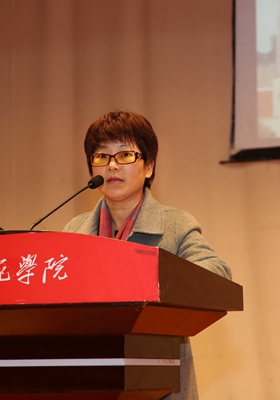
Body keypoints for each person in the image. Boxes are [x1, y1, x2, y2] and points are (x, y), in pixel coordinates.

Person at [63, 110, 232, 400]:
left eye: (125, 155)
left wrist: (149, 275)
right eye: (101, 156)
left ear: (149, 166)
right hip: (91, 380)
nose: (112, 166)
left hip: (159, 384)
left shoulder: (175, 225)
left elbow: (217, 274)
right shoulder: (74, 232)